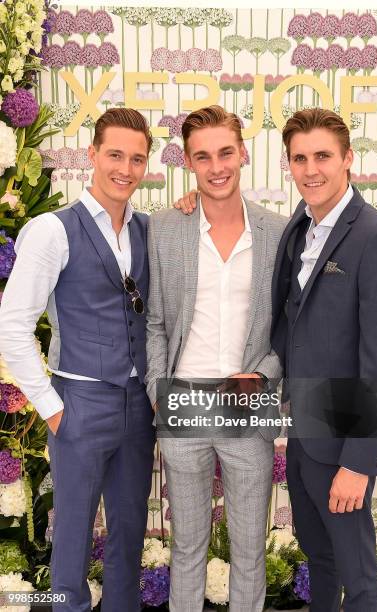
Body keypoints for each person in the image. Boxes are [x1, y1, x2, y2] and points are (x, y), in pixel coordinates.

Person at [0, 108, 156, 612]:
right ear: (92, 155)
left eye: (137, 158)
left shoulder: (150, 230)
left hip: (138, 405)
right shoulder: (52, 230)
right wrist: (51, 406)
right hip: (80, 400)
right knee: (70, 536)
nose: (125, 169)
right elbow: (13, 326)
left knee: (130, 534)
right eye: (115, 154)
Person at [145, 105, 286, 612]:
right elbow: (156, 321)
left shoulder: (279, 231)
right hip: (182, 404)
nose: (216, 166)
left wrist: (265, 375)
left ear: (243, 152)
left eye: (225, 151)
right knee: (187, 549)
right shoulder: (165, 227)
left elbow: (290, 326)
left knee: (249, 551)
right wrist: (158, 395)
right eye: (202, 156)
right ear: (188, 161)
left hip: (247, 406)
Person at [270, 108, 377, 611]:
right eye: (300, 158)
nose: (311, 169)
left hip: (344, 440)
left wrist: (358, 462)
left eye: (323, 156)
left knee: (359, 573)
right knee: (319, 559)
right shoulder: (298, 226)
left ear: (348, 158)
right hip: (304, 432)